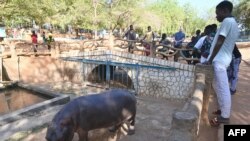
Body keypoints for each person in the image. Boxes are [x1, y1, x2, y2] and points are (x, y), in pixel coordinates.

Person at [203, 1, 239, 126]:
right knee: (217, 86)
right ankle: (223, 110)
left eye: (217, 13)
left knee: (223, 88)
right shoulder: (232, 23)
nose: (216, 16)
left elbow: (219, 41)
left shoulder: (227, 22)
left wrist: (210, 59)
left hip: (219, 60)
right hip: (222, 59)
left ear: (224, 10)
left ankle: (225, 116)